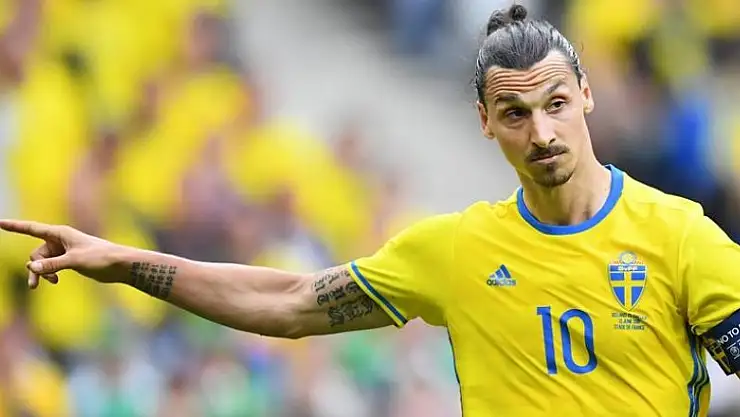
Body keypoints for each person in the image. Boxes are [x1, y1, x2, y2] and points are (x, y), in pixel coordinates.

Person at [2, 4, 740, 416]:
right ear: (485, 122)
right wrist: (125, 262)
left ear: (586, 95)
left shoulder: (678, 237)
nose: (541, 133)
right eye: (515, 113)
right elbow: (288, 301)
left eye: (555, 104)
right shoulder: (456, 250)